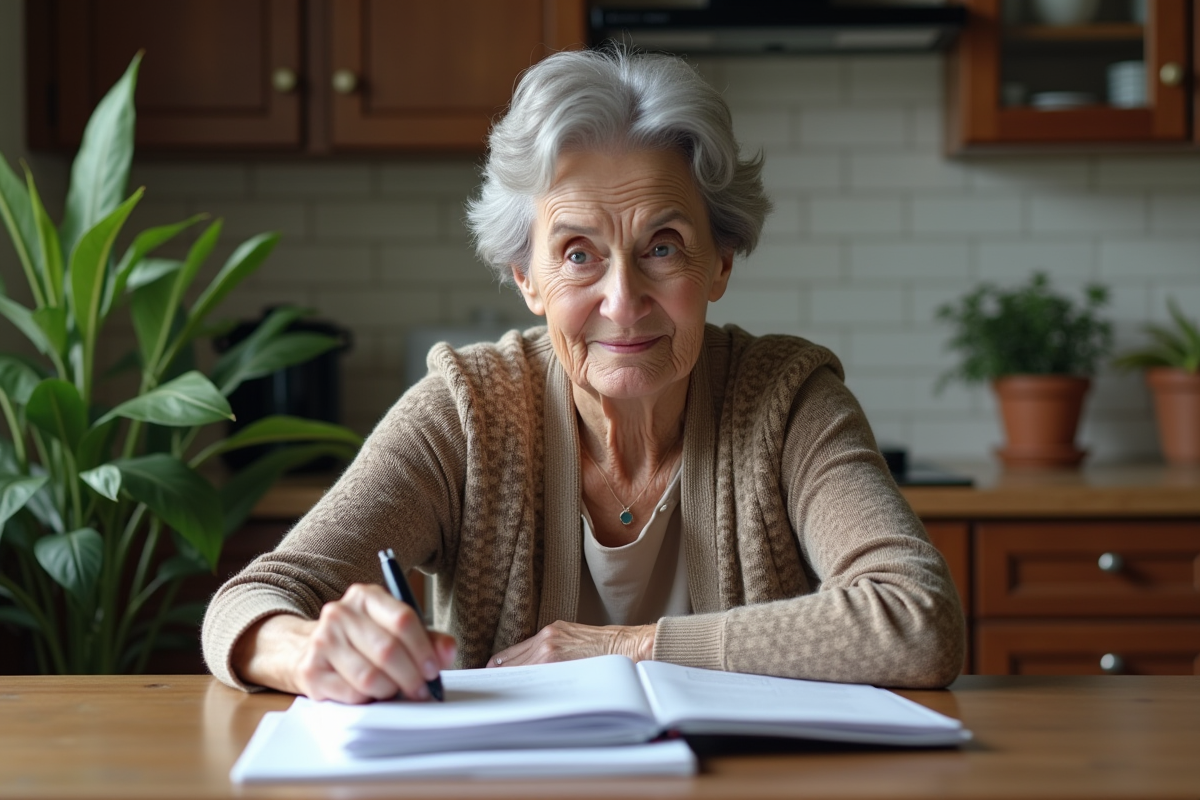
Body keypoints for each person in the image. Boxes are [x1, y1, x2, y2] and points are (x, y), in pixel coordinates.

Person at [201, 47, 965, 704]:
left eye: (662, 246)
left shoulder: (788, 400)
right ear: (526, 277)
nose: (623, 300)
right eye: (577, 253)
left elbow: (919, 619)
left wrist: (626, 648)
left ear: (720, 262)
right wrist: (314, 651)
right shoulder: (467, 411)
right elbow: (250, 603)